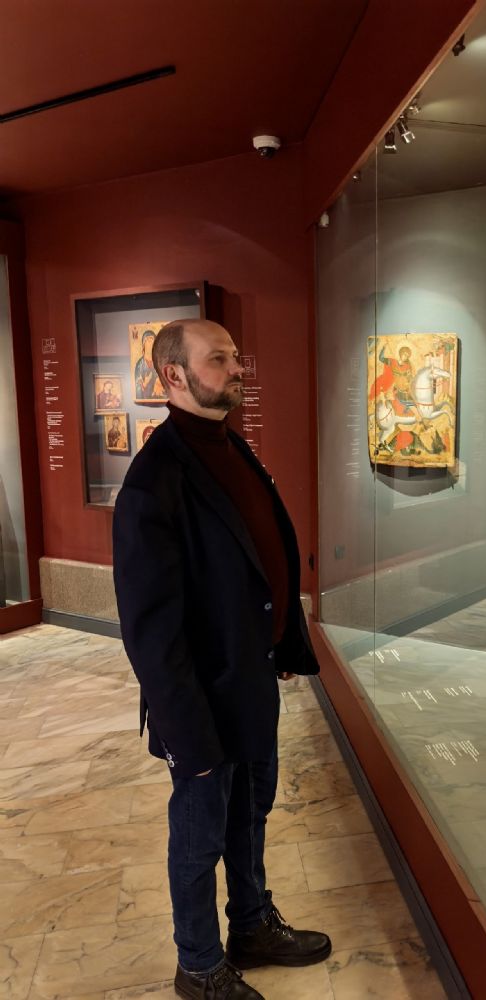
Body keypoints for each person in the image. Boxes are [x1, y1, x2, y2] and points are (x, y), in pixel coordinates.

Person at [113, 318, 331, 1000]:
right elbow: (150, 631)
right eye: (220, 358)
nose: (238, 367)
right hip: (200, 699)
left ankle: (252, 925)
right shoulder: (154, 480)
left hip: (249, 678)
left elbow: (260, 556)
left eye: (236, 355)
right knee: (199, 833)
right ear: (174, 375)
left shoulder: (230, 446)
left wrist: (282, 642)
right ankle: (200, 965)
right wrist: (186, 735)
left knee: (250, 813)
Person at [134, 328, 165, 400]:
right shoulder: (140, 364)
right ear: (144, 344)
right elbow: (137, 387)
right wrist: (144, 384)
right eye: (148, 341)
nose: (151, 344)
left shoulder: (160, 361)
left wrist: (160, 381)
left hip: (159, 396)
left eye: (153, 341)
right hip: (145, 397)